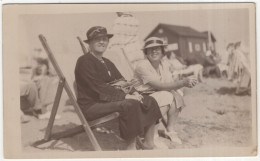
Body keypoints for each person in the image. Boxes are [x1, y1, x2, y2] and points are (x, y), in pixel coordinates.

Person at [75, 26, 162, 150]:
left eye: (104, 39)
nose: (102, 42)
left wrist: (135, 93)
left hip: (108, 100)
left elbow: (122, 81)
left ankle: (149, 143)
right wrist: (126, 96)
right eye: (97, 39)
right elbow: (98, 87)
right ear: (89, 42)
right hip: (92, 105)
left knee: (149, 100)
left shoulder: (107, 62)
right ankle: (131, 147)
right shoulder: (84, 62)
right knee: (129, 104)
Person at [134, 37, 198, 145]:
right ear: (146, 52)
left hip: (155, 95)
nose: (154, 51)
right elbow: (160, 86)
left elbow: (170, 84)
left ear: (163, 51)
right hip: (141, 98)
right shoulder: (142, 65)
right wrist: (183, 82)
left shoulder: (163, 65)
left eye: (157, 48)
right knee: (166, 96)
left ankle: (170, 129)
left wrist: (186, 83)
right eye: (150, 49)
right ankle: (152, 135)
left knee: (177, 94)